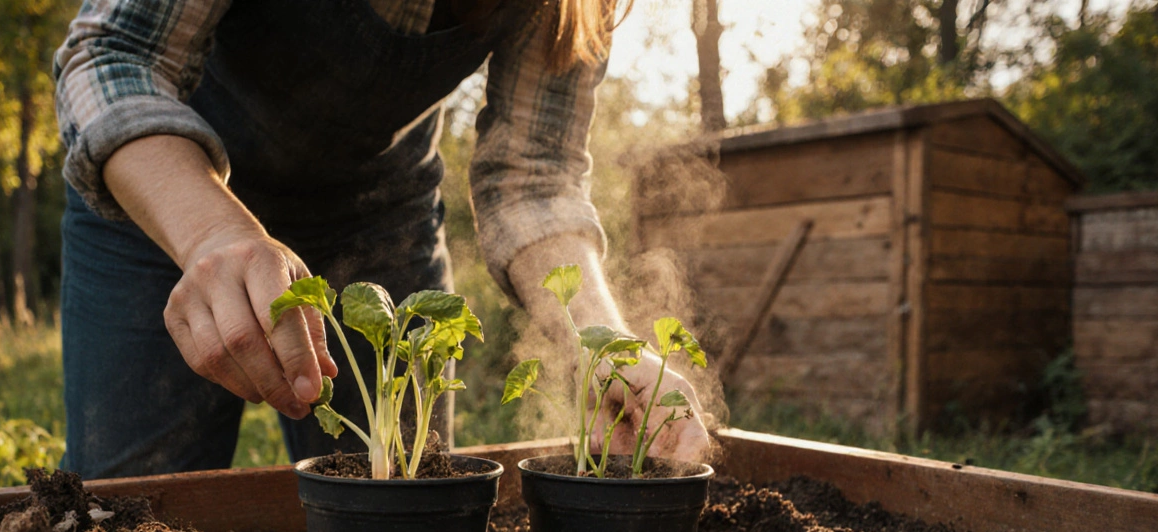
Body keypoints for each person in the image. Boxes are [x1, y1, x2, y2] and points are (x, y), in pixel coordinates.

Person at [52, 0, 709, 479]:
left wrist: (600, 346)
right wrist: (209, 233)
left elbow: (534, 176)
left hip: (376, 218)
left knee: (402, 496)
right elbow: (114, 53)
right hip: (165, 193)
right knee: (131, 506)